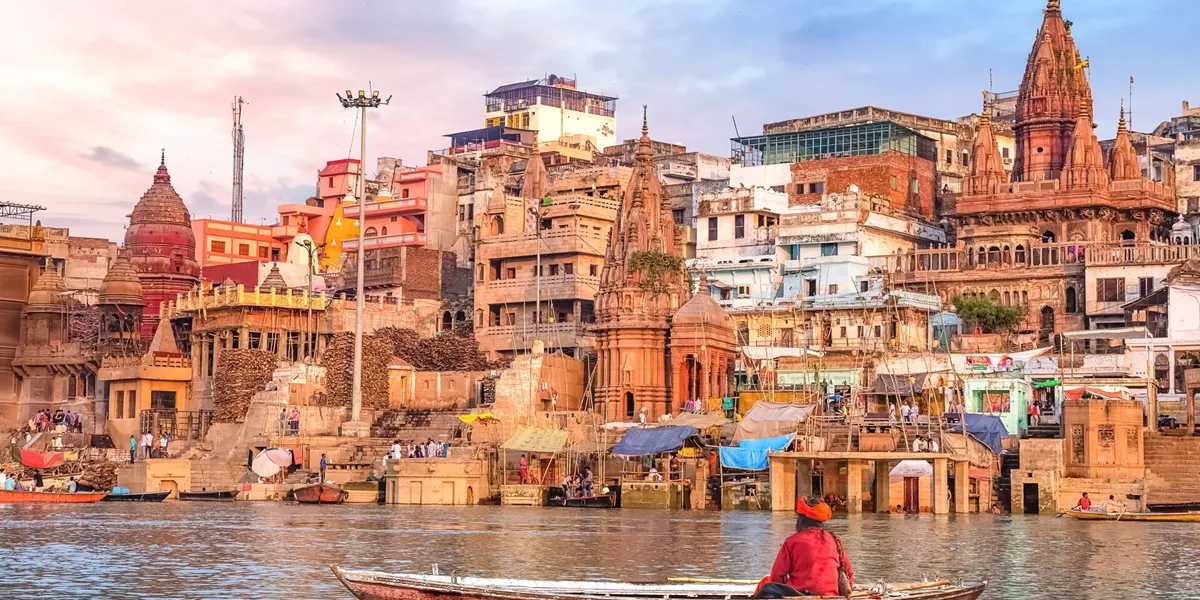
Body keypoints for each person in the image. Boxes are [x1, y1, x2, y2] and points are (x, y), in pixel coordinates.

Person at [758, 496, 853, 598]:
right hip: (830, 596)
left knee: (767, 588)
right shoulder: (835, 540)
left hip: (800, 596)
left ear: (800, 520)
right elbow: (849, 573)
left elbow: (777, 576)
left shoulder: (792, 541)